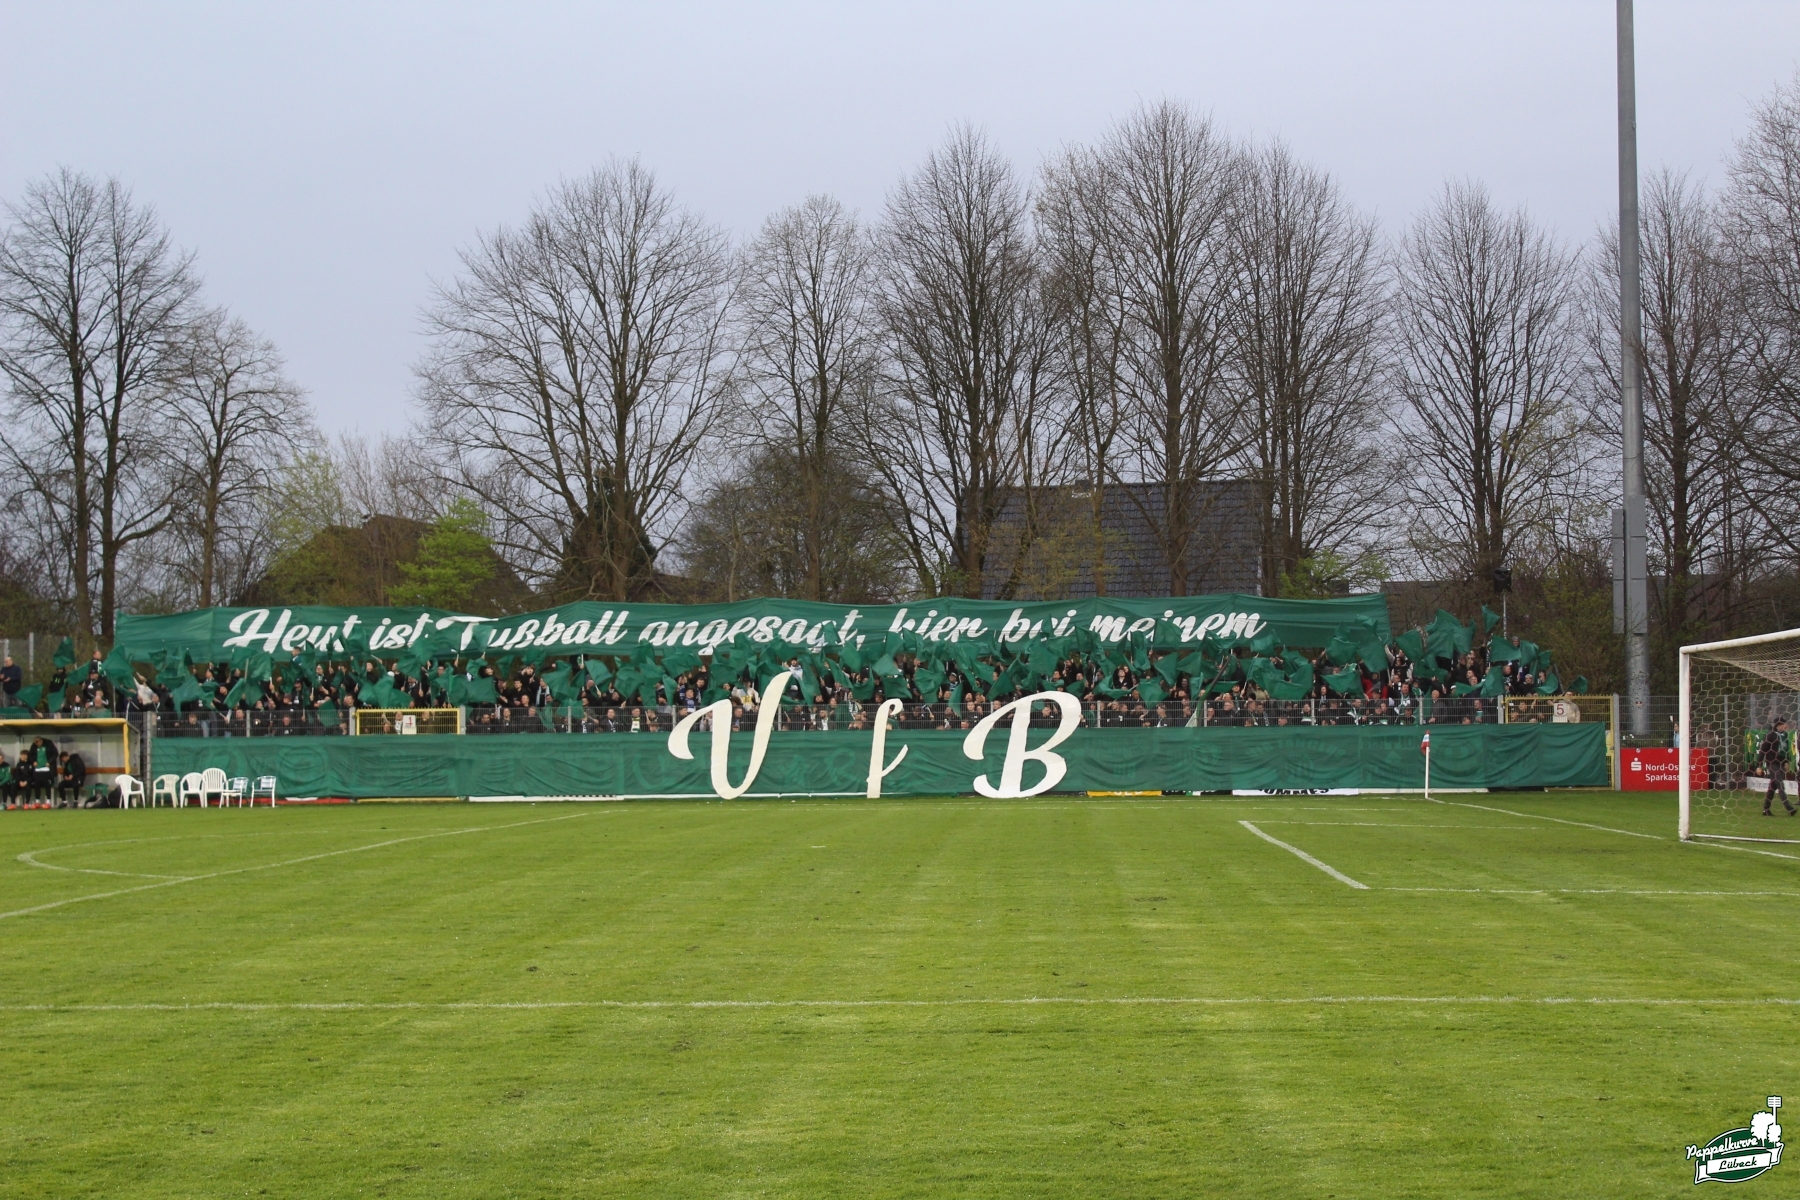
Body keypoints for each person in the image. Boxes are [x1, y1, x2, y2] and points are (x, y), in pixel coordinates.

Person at [1757, 718, 1799, 816]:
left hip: (1780, 764)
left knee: (1772, 787)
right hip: (1772, 763)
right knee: (1780, 785)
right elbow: (1763, 750)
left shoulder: (1784, 735)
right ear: (1778, 725)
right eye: (1784, 723)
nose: (1785, 725)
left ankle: (1765, 810)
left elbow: (1784, 750)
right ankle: (1789, 808)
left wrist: (1786, 762)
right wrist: (1759, 766)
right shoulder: (1770, 735)